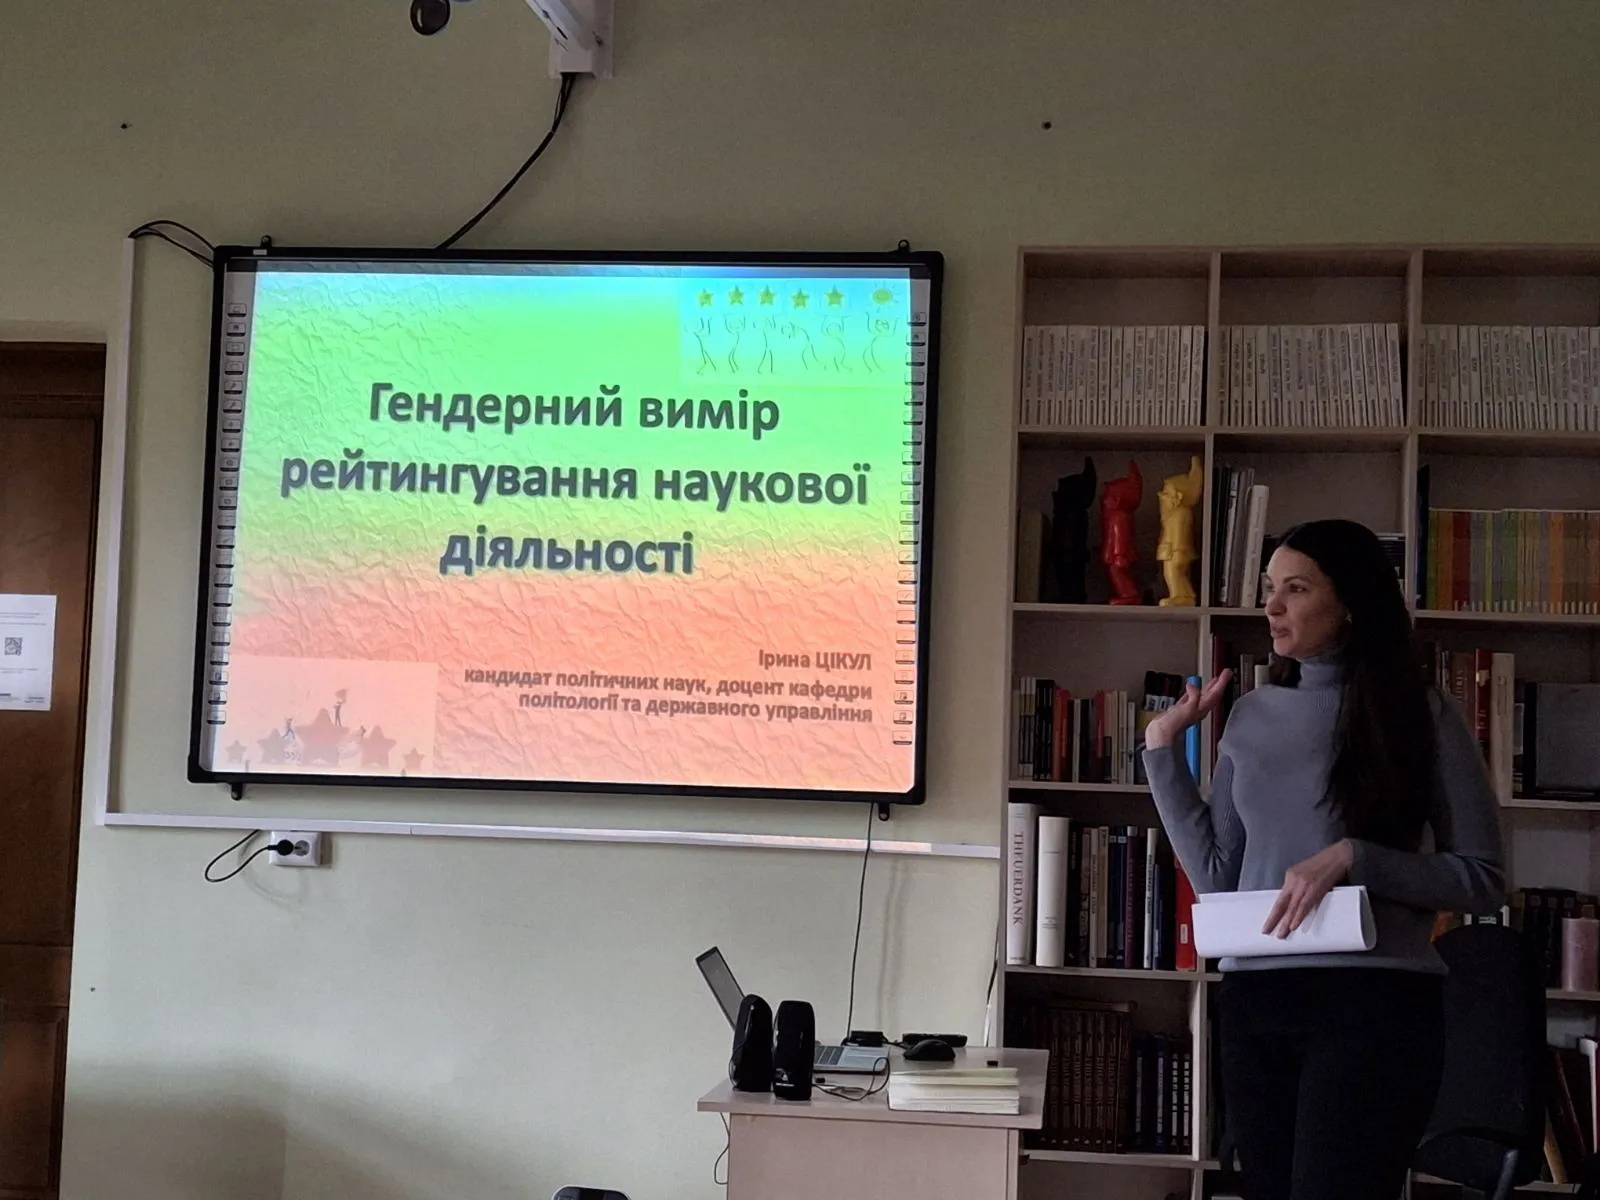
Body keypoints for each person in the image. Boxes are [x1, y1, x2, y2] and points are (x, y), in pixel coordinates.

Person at [1142, 518, 1504, 1200]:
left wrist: (1354, 857)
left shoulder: (1424, 716)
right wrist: (1161, 751)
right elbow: (1219, 878)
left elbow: (1483, 880)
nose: (1272, 606)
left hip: (1375, 1006)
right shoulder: (1249, 716)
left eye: (1297, 588)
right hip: (1255, 1004)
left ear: (1351, 603)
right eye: (1269, 588)